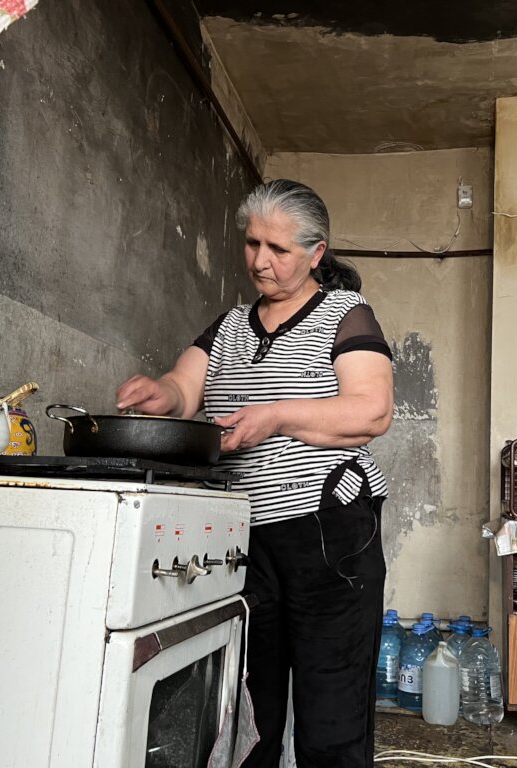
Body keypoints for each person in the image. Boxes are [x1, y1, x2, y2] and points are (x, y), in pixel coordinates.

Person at [116, 179, 394, 768]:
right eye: (251, 244)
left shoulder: (346, 315)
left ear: (316, 253)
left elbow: (371, 411)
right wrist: (160, 395)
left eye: (279, 249)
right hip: (242, 538)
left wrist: (277, 417)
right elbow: (184, 389)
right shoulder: (230, 325)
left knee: (330, 708)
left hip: (328, 532)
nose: (260, 260)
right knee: (248, 704)